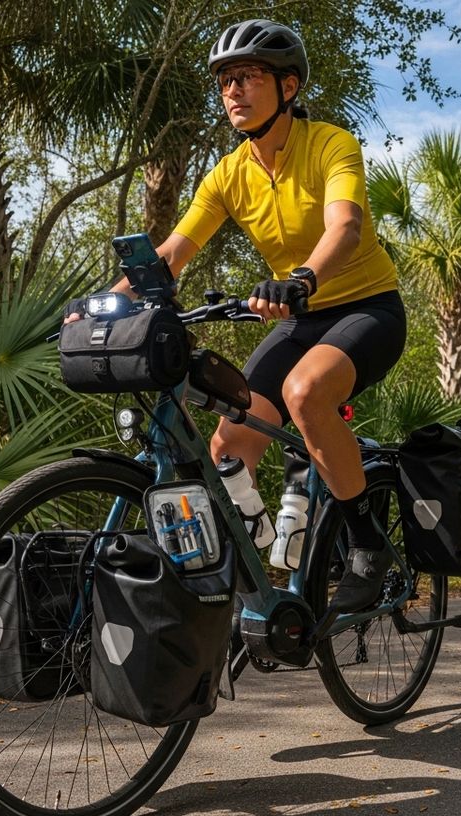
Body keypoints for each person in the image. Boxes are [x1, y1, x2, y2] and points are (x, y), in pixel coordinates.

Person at [74, 19, 407, 612]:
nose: (233, 91)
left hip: (365, 308)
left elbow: (346, 227)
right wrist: (99, 305)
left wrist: (302, 277)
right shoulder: (228, 174)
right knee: (228, 444)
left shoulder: (331, 144)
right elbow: (174, 252)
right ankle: (257, 551)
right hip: (297, 319)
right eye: (226, 80)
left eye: (248, 77)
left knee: (305, 395)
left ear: (288, 86)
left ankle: (365, 545)